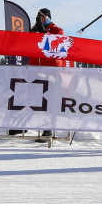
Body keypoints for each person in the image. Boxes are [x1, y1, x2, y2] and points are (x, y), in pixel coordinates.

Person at [29, 8, 64, 140]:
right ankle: (25, 127)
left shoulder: (57, 30)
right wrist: (32, 32)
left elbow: (57, 46)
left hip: (52, 71)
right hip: (36, 70)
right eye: (40, 17)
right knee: (36, 100)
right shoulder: (35, 29)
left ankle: (48, 130)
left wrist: (43, 33)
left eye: (44, 16)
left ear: (49, 17)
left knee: (49, 101)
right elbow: (28, 45)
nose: (42, 19)